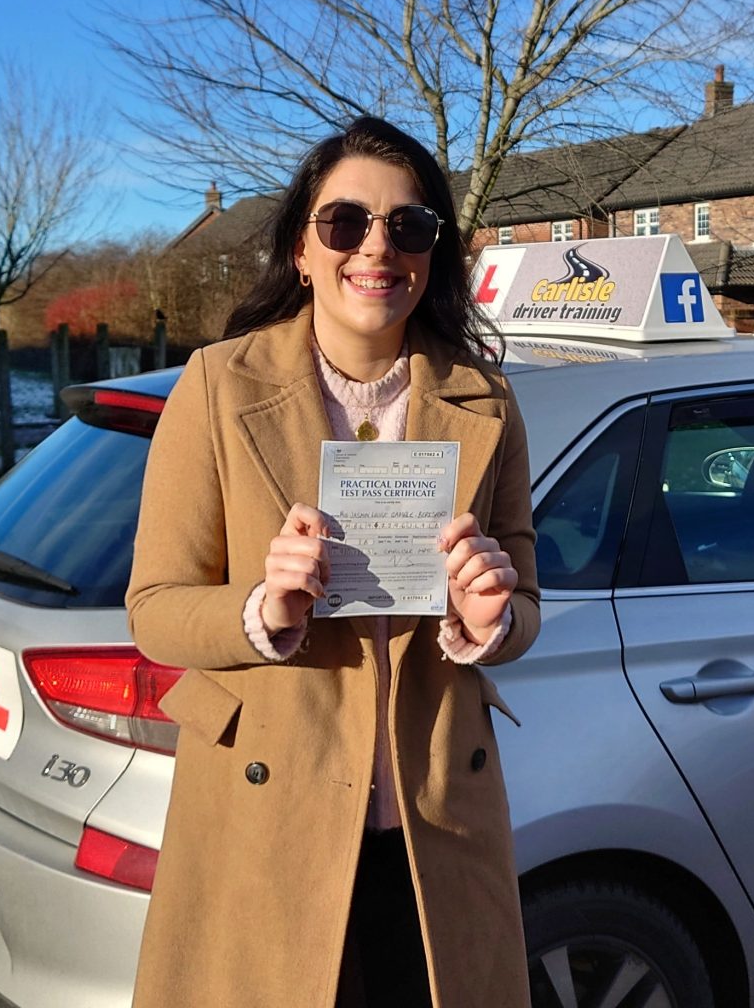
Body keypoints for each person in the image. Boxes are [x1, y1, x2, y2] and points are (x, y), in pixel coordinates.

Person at [125, 115, 540, 1008]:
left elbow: (525, 598)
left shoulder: (487, 396)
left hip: (434, 827)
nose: (377, 247)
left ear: (433, 251)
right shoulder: (216, 384)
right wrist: (262, 610)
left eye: (409, 225)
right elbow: (154, 608)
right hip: (268, 824)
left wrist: (490, 619)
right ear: (302, 250)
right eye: (346, 222)